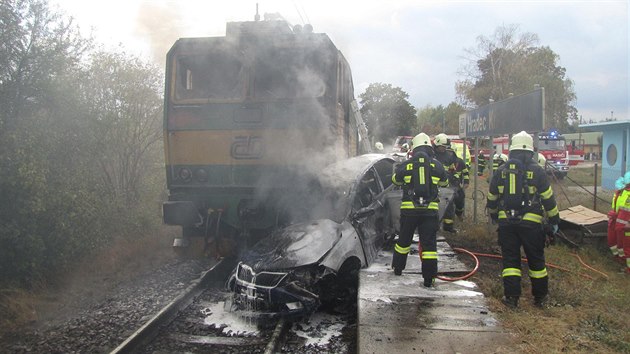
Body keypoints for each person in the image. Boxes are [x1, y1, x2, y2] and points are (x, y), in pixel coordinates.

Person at [487, 131, 560, 308]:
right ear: (530, 151)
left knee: (510, 261)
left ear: (512, 150)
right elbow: (548, 199)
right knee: (536, 261)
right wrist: (554, 221)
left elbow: (492, 198)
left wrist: (496, 215)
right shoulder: (538, 172)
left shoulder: (501, 171)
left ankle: (511, 298)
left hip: (506, 224)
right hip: (531, 224)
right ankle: (540, 298)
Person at [391, 132, 449, 287]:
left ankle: (398, 268)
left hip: (409, 211)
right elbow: (445, 183)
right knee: (429, 245)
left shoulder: (407, 164)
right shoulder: (437, 165)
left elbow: (395, 179)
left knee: (403, 240)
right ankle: (428, 279)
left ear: (414, 148)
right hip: (429, 212)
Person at [433, 133, 459, 232]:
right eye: (442, 147)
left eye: (445, 147)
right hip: (433, 184)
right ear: (437, 145)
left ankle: (448, 227)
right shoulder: (431, 154)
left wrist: (456, 180)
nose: (444, 149)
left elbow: (453, 169)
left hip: (446, 183)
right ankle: (434, 226)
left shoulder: (449, 155)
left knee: (449, 204)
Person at [608, 176, 626, 258]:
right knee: (613, 240)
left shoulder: (626, 195)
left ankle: (622, 259)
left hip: (623, 221)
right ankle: (617, 257)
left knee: (622, 243)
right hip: (615, 220)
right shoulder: (617, 193)